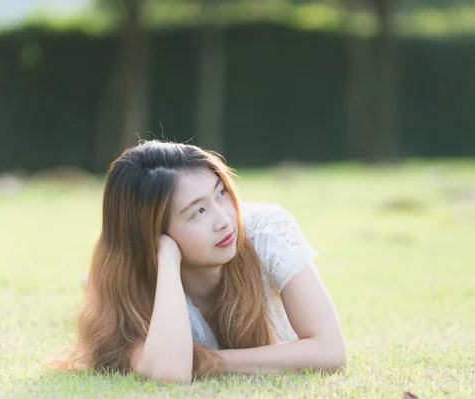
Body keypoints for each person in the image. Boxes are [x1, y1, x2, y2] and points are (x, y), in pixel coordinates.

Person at [53, 140, 346, 383]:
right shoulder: (134, 290)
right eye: (198, 212)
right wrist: (167, 258)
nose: (224, 220)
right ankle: (91, 284)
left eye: (220, 194)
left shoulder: (266, 230)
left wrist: (211, 362)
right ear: (152, 235)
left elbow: (331, 352)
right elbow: (170, 372)